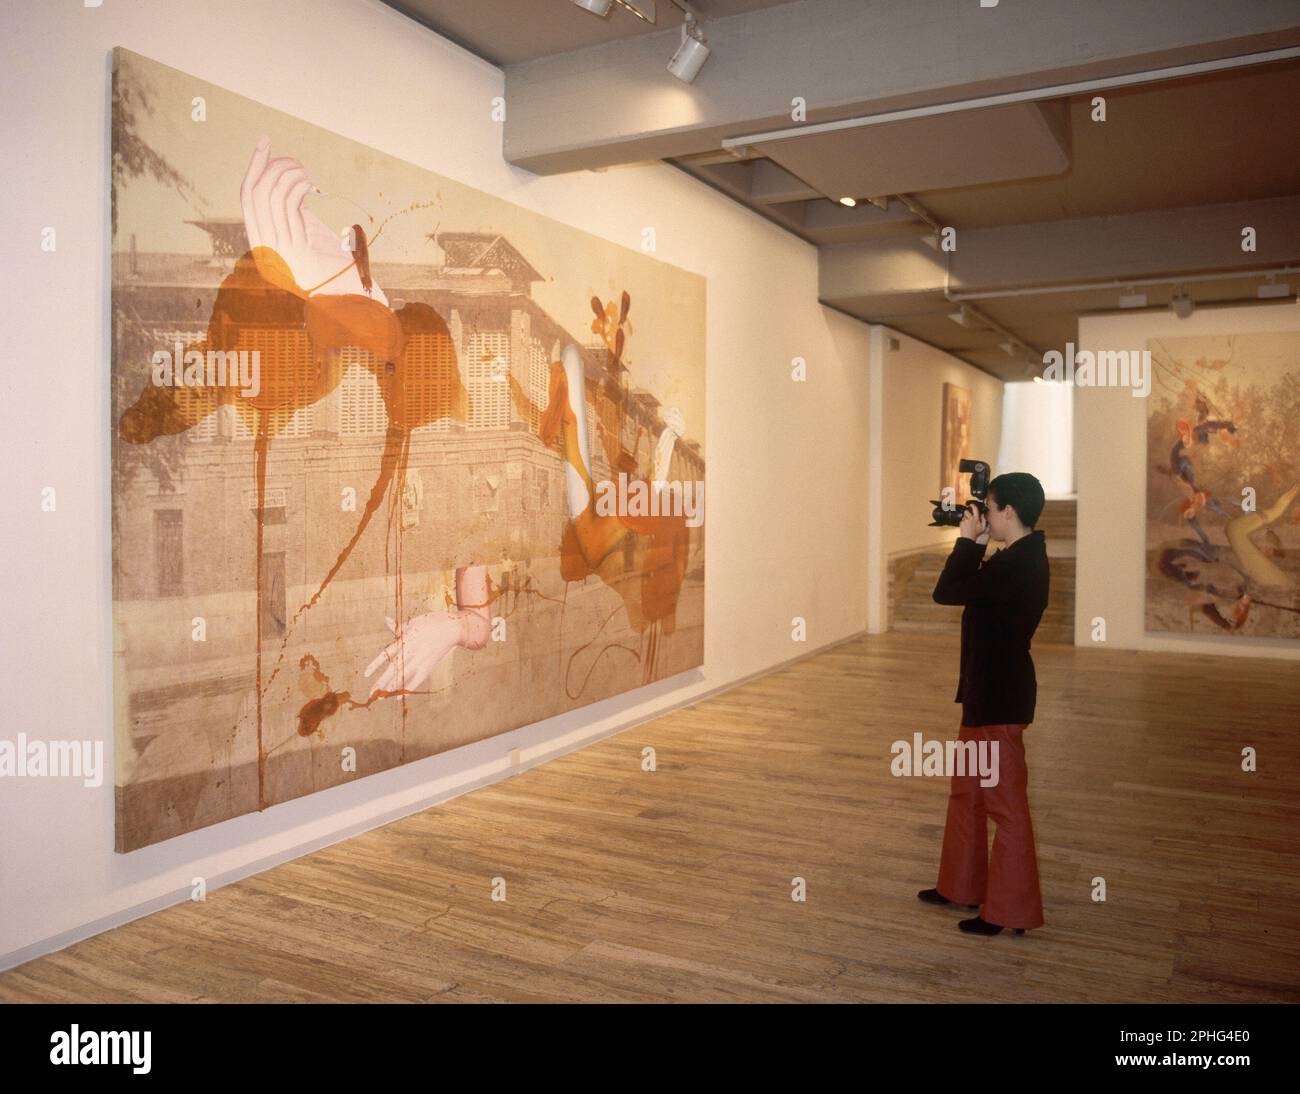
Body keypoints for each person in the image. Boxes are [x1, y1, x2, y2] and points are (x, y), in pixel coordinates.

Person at [918, 472, 1050, 936]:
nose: (985, 517)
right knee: (967, 793)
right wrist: (977, 542)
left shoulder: (1020, 563)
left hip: (1000, 699)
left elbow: (947, 591)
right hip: (983, 694)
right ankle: (960, 886)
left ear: (1008, 512)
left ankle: (1008, 912)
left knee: (1006, 807)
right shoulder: (1016, 555)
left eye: (989, 509)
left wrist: (966, 542)